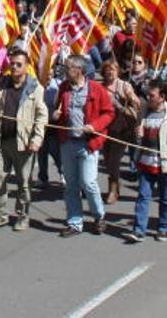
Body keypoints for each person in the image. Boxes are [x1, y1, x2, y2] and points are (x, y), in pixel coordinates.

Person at [0, 48, 48, 232]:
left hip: (24, 143)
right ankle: (0, 214)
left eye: (18, 64)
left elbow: (41, 116)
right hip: (1, 140)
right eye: (12, 63)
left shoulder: (36, 89)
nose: (14, 67)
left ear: (27, 67)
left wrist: (37, 139)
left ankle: (23, 215)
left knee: (24, 182)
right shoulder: (1, 85)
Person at [54, 54, 114, 237]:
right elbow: (59, 110)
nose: (65, 70)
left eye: (69, 67)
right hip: (68, 142)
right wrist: (56, 115)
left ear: (79, 70)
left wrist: (94, 126)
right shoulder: (63, 88)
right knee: (71, 184)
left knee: (88, 182)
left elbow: (109, 113)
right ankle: (75, 222)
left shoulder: (96, 89)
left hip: (87, 143)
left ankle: (98, 215)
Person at [126, 79, 167, 242]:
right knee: (143, 196)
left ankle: (163, 227)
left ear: (162, 97)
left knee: (165, 198)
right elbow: (139, 140)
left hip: (165, 165)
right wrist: (138, 135)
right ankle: (139, 230)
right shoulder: (144, 112)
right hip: (145, 163)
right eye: (148, 95)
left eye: (152, 95)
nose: (149, 98)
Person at [100, 60, 140, 204]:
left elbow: (136, 103)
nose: (110, 72)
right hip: (105, 129)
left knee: (114, 160)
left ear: (118, 72)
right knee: (107, 160)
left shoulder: (124, 85)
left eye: (113, 69)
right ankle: (115, 185)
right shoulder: (100, 87)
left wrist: (128, 99)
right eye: (108, 69)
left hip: (121, 129)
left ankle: (112, 189)